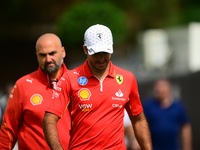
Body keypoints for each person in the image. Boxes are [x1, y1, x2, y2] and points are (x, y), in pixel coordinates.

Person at [43, 24, 152, 150]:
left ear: (112, 47)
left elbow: (138, 120)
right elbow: (49, 119)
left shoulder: (127, 78)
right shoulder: (69, 79)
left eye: (105, 52)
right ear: (85, 49)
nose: (101, 58)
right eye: (96, 53)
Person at [0, 33, 71, 150]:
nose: (48, 59)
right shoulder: (23, 85)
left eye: (52, 53)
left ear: (63, 52)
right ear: (37, 56)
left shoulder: (77, 83)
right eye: (43, 55)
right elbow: (8, 129)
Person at [143, 79, 192, 150]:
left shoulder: (178, 106)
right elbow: (140, 124)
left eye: (162, 86)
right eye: (157, 86)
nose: (159, 89)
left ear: (169, 88)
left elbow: (186, 127)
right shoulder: (148, 105)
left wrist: (187, 147)